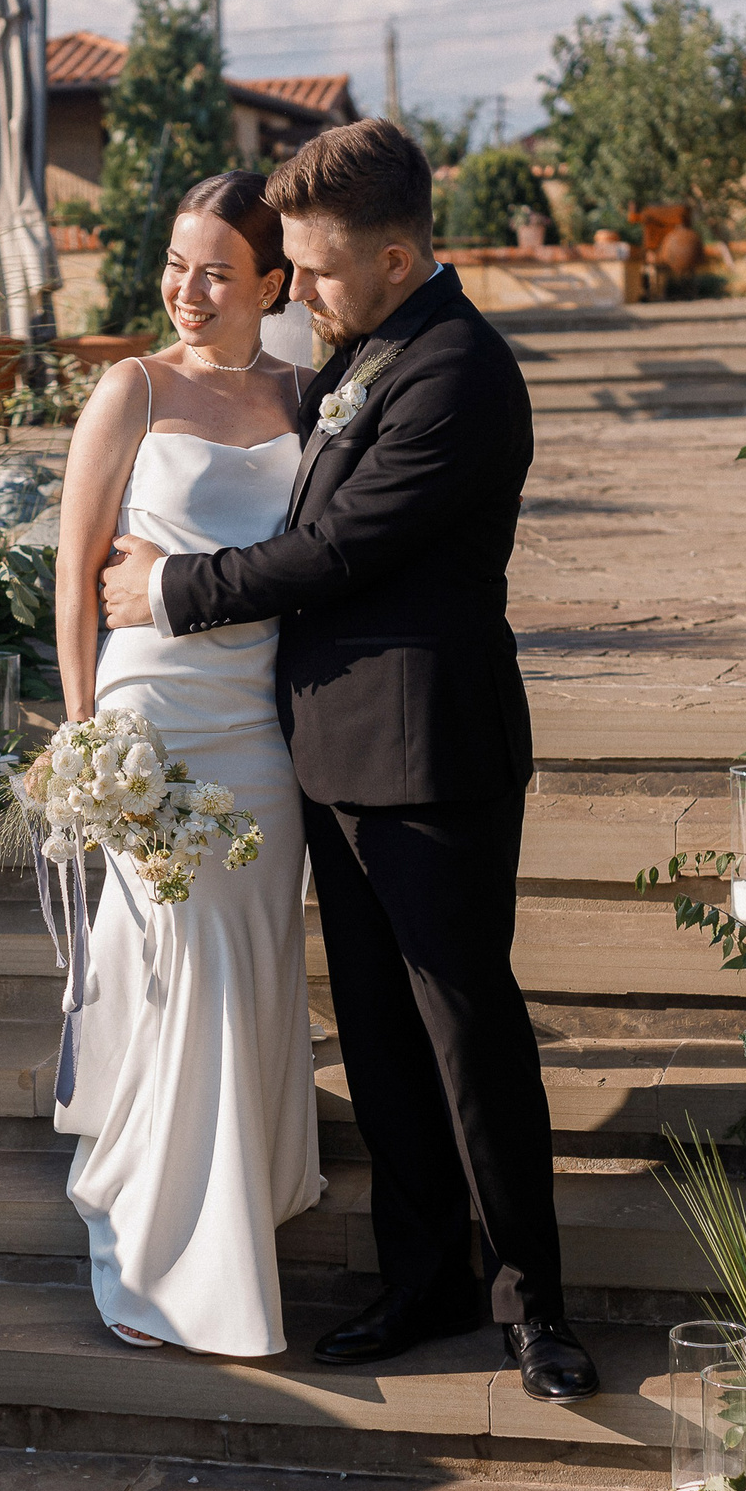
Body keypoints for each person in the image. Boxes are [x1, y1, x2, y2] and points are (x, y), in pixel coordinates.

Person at [97, 120, 597, 1403]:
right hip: (322, 754)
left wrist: (170, 589)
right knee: (377, 1042)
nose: (296, 293)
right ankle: (420, 1275)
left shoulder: (461, 374)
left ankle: (533, 1306)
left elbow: (339, 552)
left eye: (313, 272)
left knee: (467, 1035)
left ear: (392, 253)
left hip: (432, 751)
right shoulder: (357, 351)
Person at [51, 170, 322, 1356]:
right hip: (148, 719)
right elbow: (72, 576)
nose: (187, 289)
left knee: (250, 956)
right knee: (180, 956)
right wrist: (83, 732)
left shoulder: (313, 396)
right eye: (175, 263)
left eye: (216, 270)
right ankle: (170, 1244)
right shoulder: (133, 387)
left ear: (274, 281)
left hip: (262, 726)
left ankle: (247, 1193)